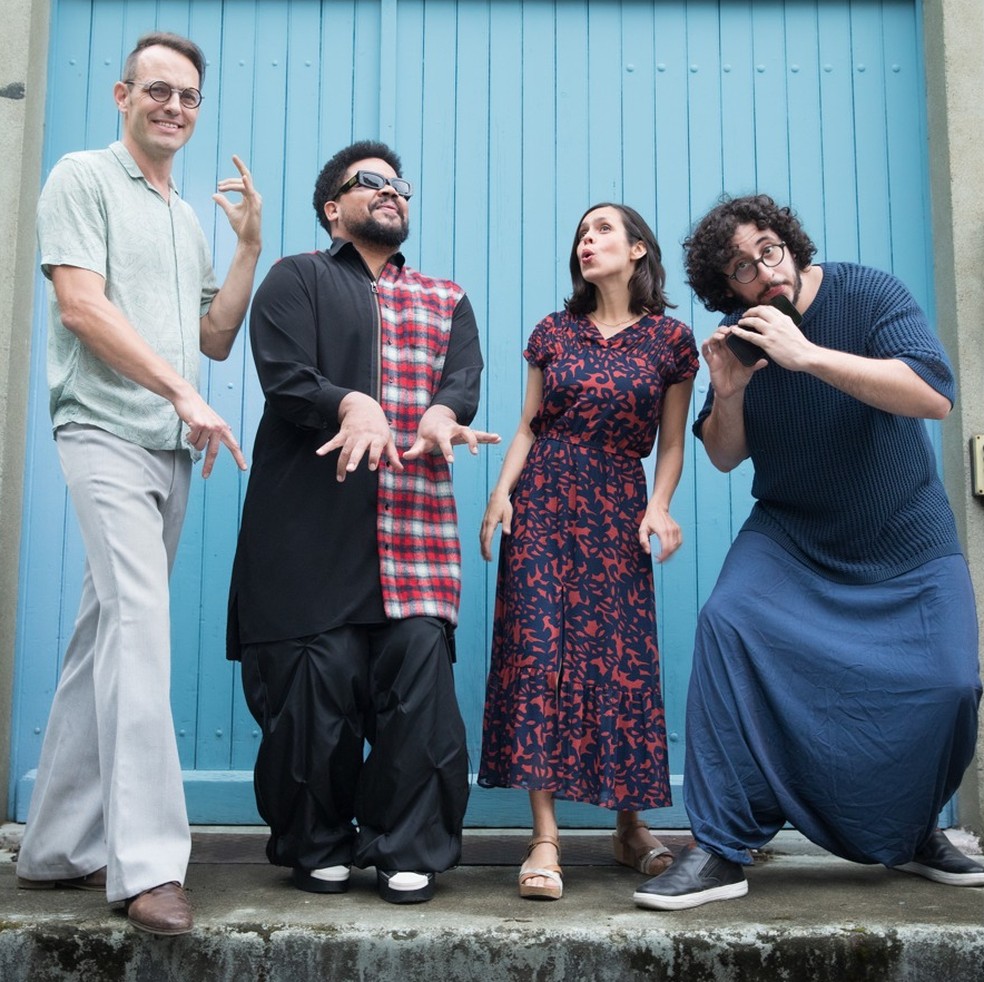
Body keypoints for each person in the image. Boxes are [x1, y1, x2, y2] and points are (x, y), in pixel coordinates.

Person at [634, 193, 984, 912]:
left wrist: (809, 355)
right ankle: (721, 848)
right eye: (742, 268)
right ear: (726, 288)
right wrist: (729, 393)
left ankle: (913, 830)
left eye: (769, 250)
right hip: (792, 535)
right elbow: (724, 454)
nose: (765, 272)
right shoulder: (742, 337)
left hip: (904, 533)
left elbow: (934, 393)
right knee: (727, 623)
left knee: (950, 683)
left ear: (790, 244)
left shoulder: (869, 294)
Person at [15, 33, 262, 935]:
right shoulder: (81, 178)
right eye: (158, 90)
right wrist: (181, 394)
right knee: (141, 630)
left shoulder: (185, 218)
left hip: (168, 447)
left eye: (189, 96)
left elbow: (214, 338)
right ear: (123, 95)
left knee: (103, 634)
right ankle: (151, 865)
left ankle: (53, 847)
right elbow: (81, 307)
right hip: (103, 431)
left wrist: (247, 249)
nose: (174, 107)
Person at [227, 140, 499, 905]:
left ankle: (409, 845)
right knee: (314, 693)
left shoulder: (445, 298)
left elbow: (461, 379)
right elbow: (286, 376)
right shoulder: (298, 278)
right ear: (332, 208)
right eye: (371, 181)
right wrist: (352, 403)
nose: (392, 192)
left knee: (421, 696)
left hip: (413, 535)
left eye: (400, 185)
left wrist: (443, 413)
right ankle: (316, 843)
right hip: (310, 531)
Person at [478, 203, 699, 900]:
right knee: (539, 654)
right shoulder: (555, 331)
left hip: (617, 505)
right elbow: (528, 424)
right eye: (581, 233)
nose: (587, 241)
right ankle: (545, 837)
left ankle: (630, 828)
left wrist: (658, 506)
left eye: (602, 230)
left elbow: (672, 442)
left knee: (619, 659)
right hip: (544, 498)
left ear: (638, 250)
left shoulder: (671, 340)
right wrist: (500, 495)